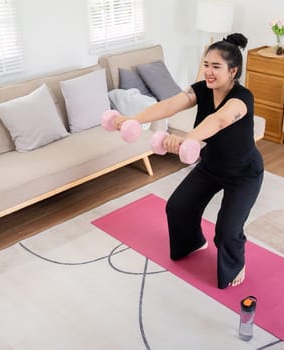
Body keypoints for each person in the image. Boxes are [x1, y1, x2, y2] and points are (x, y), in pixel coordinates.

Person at [113, 33, 263, 289]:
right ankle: (193, 242)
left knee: (227, 231)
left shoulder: (242, 98)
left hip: (243, 173)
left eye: (216, 66)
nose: (208, 71)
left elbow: (218, 120)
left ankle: (236, 263)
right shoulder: (201, 90)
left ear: (233, 71)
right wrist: (133, 120)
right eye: (206, 64)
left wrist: (187, 139)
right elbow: (170, 105)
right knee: (177, 208)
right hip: (210, 166)